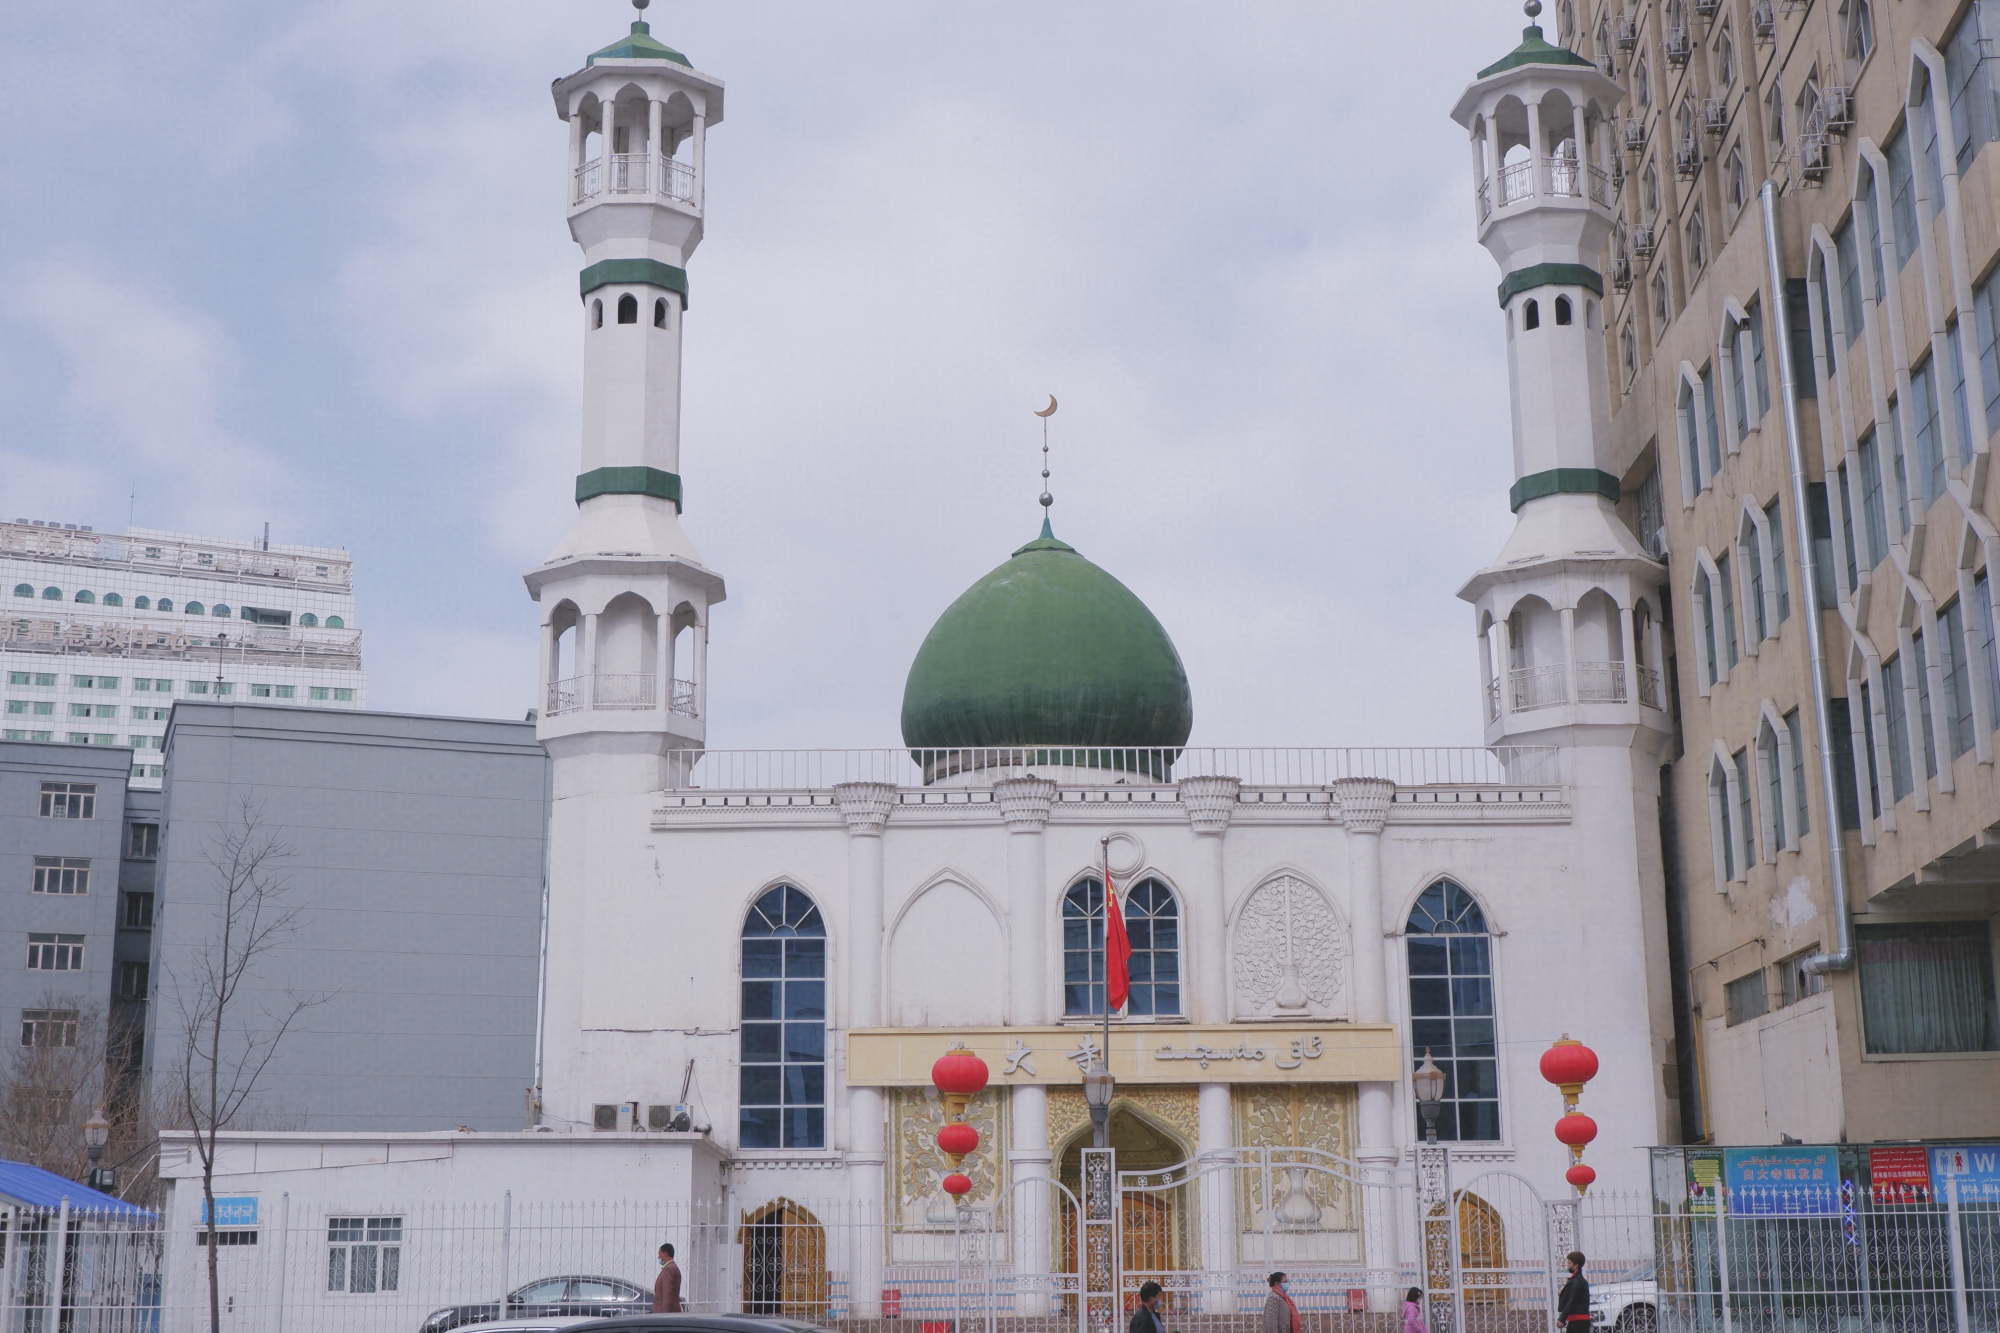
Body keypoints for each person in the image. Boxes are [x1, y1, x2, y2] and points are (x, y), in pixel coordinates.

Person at [1556, 1251, 1590, 1330]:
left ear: (1576, 1265)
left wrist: (1562, 1318)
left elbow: (1572, 1300)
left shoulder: (1577, 1281)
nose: (1567, 1266)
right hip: (1577, 1321)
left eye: (1569, 1263)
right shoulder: (1575, 1280)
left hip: (1578, 1323)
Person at [653, 1241, 683, 1313]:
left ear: (665, 1254)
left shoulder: (669, 1269)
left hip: (663, 1313)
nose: (658, 1257)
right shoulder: (672, 1267)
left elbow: (667, 1294)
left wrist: (664, 1315)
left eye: (659, 1254)